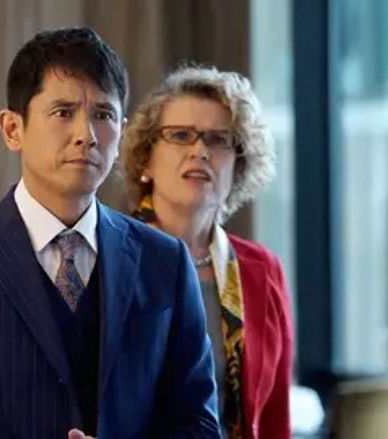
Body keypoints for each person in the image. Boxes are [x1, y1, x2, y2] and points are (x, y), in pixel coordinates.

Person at [0, 28, 218, 438]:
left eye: (103, 115)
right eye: (63, 112)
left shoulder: (165, 261)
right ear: (13, 129)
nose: (86, 135)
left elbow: (199, 423)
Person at [123, 65, 293, 438]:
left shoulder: (263, 270)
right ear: (147, 159)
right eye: (180, 136)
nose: (199, 151)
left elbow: (275, 418)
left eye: (218, 140)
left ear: (239, 166)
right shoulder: (110, 257)